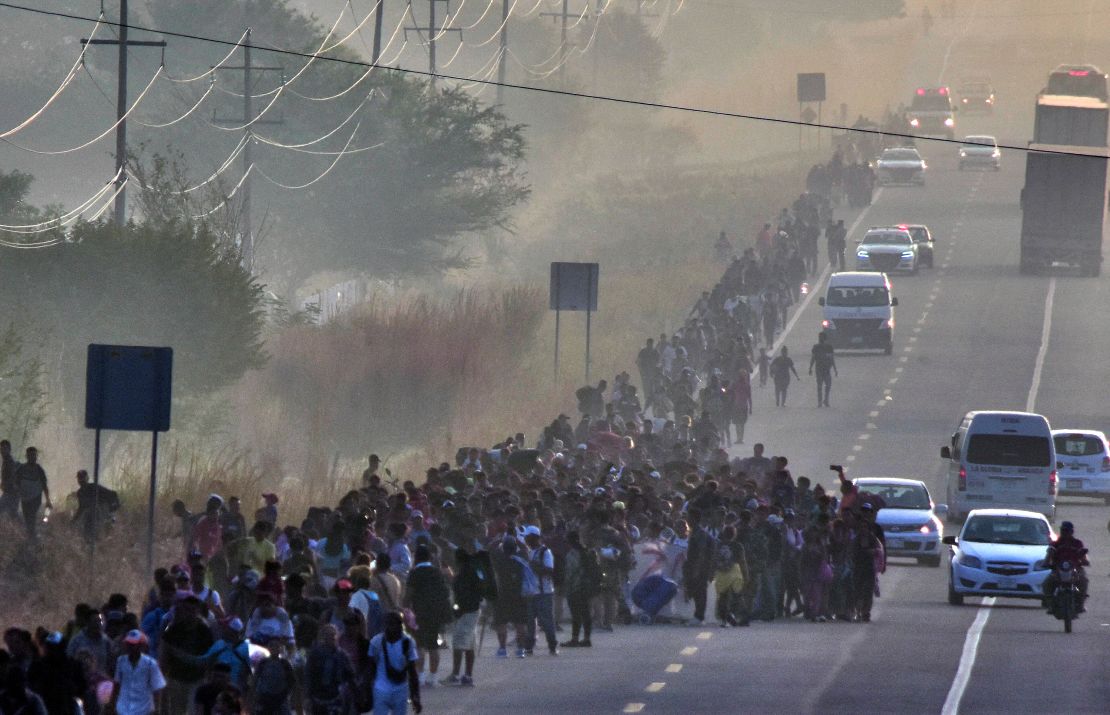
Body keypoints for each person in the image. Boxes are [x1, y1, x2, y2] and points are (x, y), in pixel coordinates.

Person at [404, 545, 453, 687]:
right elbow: (445, 591)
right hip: (436, 613)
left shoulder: (414, 573)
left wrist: (405, 609)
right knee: (433, 645)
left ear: (416, 558)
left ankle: (420, 676)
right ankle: (433, 677)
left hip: (419, 612)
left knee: (420, 644)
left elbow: (409, 594)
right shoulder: (436, 572)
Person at [367, 612, 422, 715]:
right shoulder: (376, 642)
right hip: (381, 689)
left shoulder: (408, 642)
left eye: (395, 624)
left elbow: (412, 672)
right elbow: (370, 668)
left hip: (399, 690)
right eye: (389, 624)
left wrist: (415, 696)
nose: (392, 627)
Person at [447, 548, 486, 685]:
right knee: (469, 644)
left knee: (459, 641)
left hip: (466, 611)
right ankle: (467, 675)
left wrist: (457, 610)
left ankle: (455, 674)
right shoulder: (474, 571)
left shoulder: (465, 573)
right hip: (474, 609)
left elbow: (462, 595)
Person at [112, 630, 166, 715]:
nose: (130, 647)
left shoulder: (150, 664)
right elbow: (117, 683)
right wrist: (111, 705)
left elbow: (157, 688)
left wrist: (157, 710)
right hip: (123, 708)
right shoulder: (121, 661)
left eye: (133, 645)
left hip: (143, 709)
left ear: (141, 646)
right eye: (128, 644)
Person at [523, 525, 559, 656]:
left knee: (547, 620)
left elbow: (549, 570)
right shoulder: (529, 552)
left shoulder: (545, 552)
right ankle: (529, 646)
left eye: (528, 537)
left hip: (544, 592)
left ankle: (552, 645)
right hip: (531, 592)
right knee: (530, 622)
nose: (526, 540)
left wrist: (534, 566)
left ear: (535, 537)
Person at [305, 624, 355, 715]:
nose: (331, 637)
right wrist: (308, 697)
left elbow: (351, 676)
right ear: (323, 637)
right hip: (318, 698)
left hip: (336, 697)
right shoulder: (315, 654)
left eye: (333, 634)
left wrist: (353, 694)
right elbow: (309, 676)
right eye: (328, 635)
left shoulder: (342, 655)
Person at [1042, 521, 1089, 612]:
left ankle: (1081, 604)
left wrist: (1084, 561)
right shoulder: (1055, 544)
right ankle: (1051, 605)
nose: (1065, 533)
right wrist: (1046, 563)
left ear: (1072, 532)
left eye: (1067, 531)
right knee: (1046, 584)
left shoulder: (1077, 543)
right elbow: (1048, 556)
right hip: (1057, 570)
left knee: (1084, 581)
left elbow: (1083, 557)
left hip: (1075, 569)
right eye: (1063, 530)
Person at [682, 510, 715, 626]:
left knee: (700, 592)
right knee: (696, 592)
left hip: (700, 567)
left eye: (689, 518)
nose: (688, 521)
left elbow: (701, 552)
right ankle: (698, 615)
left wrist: (696, 569)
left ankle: (699, 616)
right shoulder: (694, 532)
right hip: (696, 565)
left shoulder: (699, 534)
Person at [15, 446, 50, 537]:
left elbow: (44, 486)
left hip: (36, 498)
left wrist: (48, 500)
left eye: (34, 455)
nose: (32, 457)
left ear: (36, 456)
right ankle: (31, 535)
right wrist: (17, 493)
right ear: (26, 456)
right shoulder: (21, 468)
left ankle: (33, 536)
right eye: (30, 455)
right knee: (27, 519)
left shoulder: (39, 469)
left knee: (32, 516)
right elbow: (16, 483)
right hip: (25, 499)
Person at [808, 332, 838, 408]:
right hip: (819, 369)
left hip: (827, 369)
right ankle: (820, 401)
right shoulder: (816, 347)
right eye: (819, 338)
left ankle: (826, 400)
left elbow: (831, 358)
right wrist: (810, 367)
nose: (820, 339)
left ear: (824, 338)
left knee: (828, 385)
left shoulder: (829, 347)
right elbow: (813, 358)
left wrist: (835, 369)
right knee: (819, 386)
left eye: (821, 338)